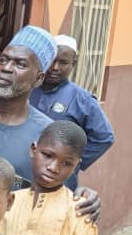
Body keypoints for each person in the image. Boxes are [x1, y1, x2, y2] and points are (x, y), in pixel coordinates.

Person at [0, 25, 100, 218]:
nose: (6, 68)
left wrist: (85, 198)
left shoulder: (48, 136)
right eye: (3, 60)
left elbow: (62, 201)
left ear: (38, 78)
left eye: (20, 64)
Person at [30, 34, 114, 172]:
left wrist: (70, 163)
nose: (55, 67)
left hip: (55, 176)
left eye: (63, 62)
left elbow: (104, 137)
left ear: (73, 64)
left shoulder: (82, 99)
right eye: (51, 60)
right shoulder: (28, 88)